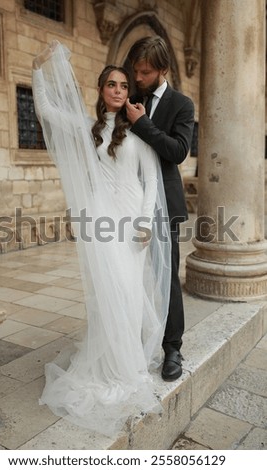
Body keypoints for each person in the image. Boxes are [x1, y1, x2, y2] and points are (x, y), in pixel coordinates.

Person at [31, 41, 171, 437]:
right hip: (100, 221)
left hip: (130, 224)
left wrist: (145, 223)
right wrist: (40, 69)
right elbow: (45, 110)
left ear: (130, 93)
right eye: (111, 84)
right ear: (101, 89)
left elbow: (149, 183)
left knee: (127, 293)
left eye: (124, 86)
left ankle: (124, 364)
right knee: (105, 292)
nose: (118, 91)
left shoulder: (139, 133)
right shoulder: (88, 129)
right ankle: (108, 363)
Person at [126, 36, 195, 382]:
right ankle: (127, 342)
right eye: (135, 71)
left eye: (145, 72)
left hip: (165, 204)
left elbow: (178, 151)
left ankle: (172, 348)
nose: (137, 78)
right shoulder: (129, 96)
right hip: (126, 203)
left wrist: (142, 124)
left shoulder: (182, 104)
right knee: (127, 273)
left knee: (166, 278)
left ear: (162, 70)